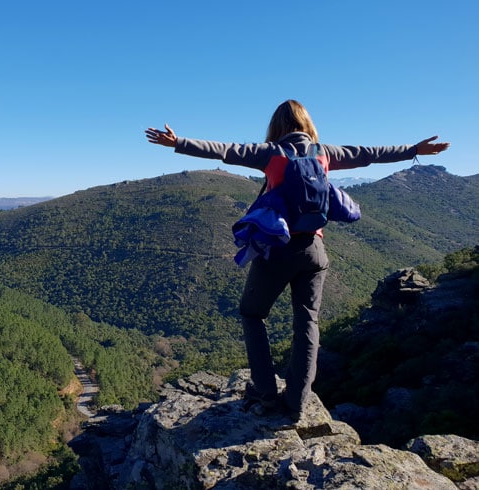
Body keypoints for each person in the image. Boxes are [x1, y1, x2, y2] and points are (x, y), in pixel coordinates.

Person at [145, 99, 450, 420]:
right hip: (315, 252)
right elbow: (369, 154)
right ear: (307, 125)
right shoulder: (324, 153)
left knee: (252, 314)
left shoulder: (271, 153)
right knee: (307, 322)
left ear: (276, 127)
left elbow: (224, 149)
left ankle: (265, 392)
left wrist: (178, 143)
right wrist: (414, 149)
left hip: (278, 249)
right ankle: (296, 404)